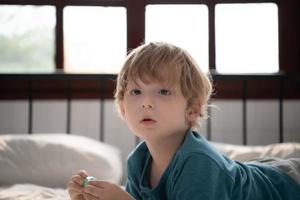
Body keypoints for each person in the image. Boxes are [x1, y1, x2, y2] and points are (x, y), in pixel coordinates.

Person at [67, 42, 300, 200]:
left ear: (193, 109)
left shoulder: (197, 162)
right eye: (136, 92)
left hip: (288, 183)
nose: (146, 102)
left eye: (163, 92)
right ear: (122, 108)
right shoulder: (138, 161)